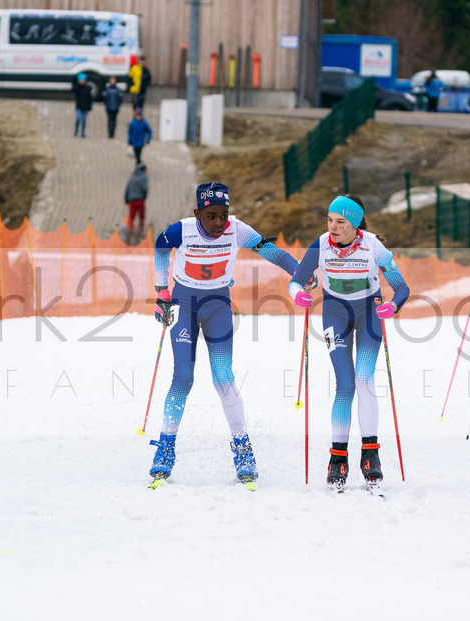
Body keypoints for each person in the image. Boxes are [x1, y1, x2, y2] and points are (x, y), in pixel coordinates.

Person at [148, 182, 300, 489]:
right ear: (198, 214)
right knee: (183, 377)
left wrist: (299, 272)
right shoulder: (182, 230)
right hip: (184, 305)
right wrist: (162, 292)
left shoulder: (238, 230)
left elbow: (272, 252)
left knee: (223, 378)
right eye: (211, 216)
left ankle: (243, 450)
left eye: (224, 215)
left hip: (217, 306)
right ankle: (165, 447)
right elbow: (161, 249)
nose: (220, 223)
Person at [288, 194, 410, 491]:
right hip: (335, 314)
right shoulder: (320, 245)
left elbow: (401, 288)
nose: (333, 226)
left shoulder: (373, 246)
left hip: (368, 313)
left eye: (340, 222)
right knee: (345, 384)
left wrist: (392, 306)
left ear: (355, 223)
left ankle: (370, 453)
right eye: (330, 220)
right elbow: (296, 280)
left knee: (364, 379)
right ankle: (338, 457)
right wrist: (298, 294)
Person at [123, 162, 148, 239]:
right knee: (141, 216)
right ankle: (140, 231)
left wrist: (126, 200)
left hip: (131, 201)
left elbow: (127, 189)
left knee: (131, 216)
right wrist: (144, 197)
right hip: (140, 200)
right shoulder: (144, 177)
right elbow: (145, 188)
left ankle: (130, 231)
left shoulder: (132, 177)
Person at [72, 73, 92, 137]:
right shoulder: (77, 88)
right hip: (79, 106)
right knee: (78, 118)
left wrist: (90, 107)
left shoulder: (88, 88)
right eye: (81, 80)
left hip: (86, 107)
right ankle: (76, 131)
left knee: (84, 120)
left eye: (83, 80)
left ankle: (83, 133)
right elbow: (74, 90)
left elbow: (90, 98)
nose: (82, 81)